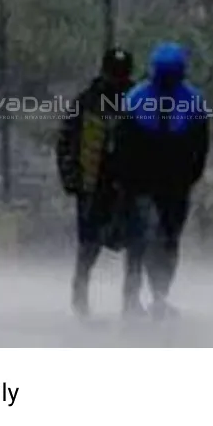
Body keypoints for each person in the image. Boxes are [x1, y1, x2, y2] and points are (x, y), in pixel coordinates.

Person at [116, 41, 211, 319]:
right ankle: (138, 298)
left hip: (166, 184)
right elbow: (124, 145)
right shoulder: (139, 99)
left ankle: (155, 297)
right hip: (149, 184)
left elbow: (199, 146)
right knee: (148, 239)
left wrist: (189, 176)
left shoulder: (187, 101)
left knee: (162, 239)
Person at [55, 47, 136, 319]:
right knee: (90, 244)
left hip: (129, 185)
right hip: (93, 185)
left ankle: (131, 301)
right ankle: (80, 294)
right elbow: (66, 142)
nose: (119, 80)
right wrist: (71, 179)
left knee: (136, 245)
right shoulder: (86, 103)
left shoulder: (139, 100)